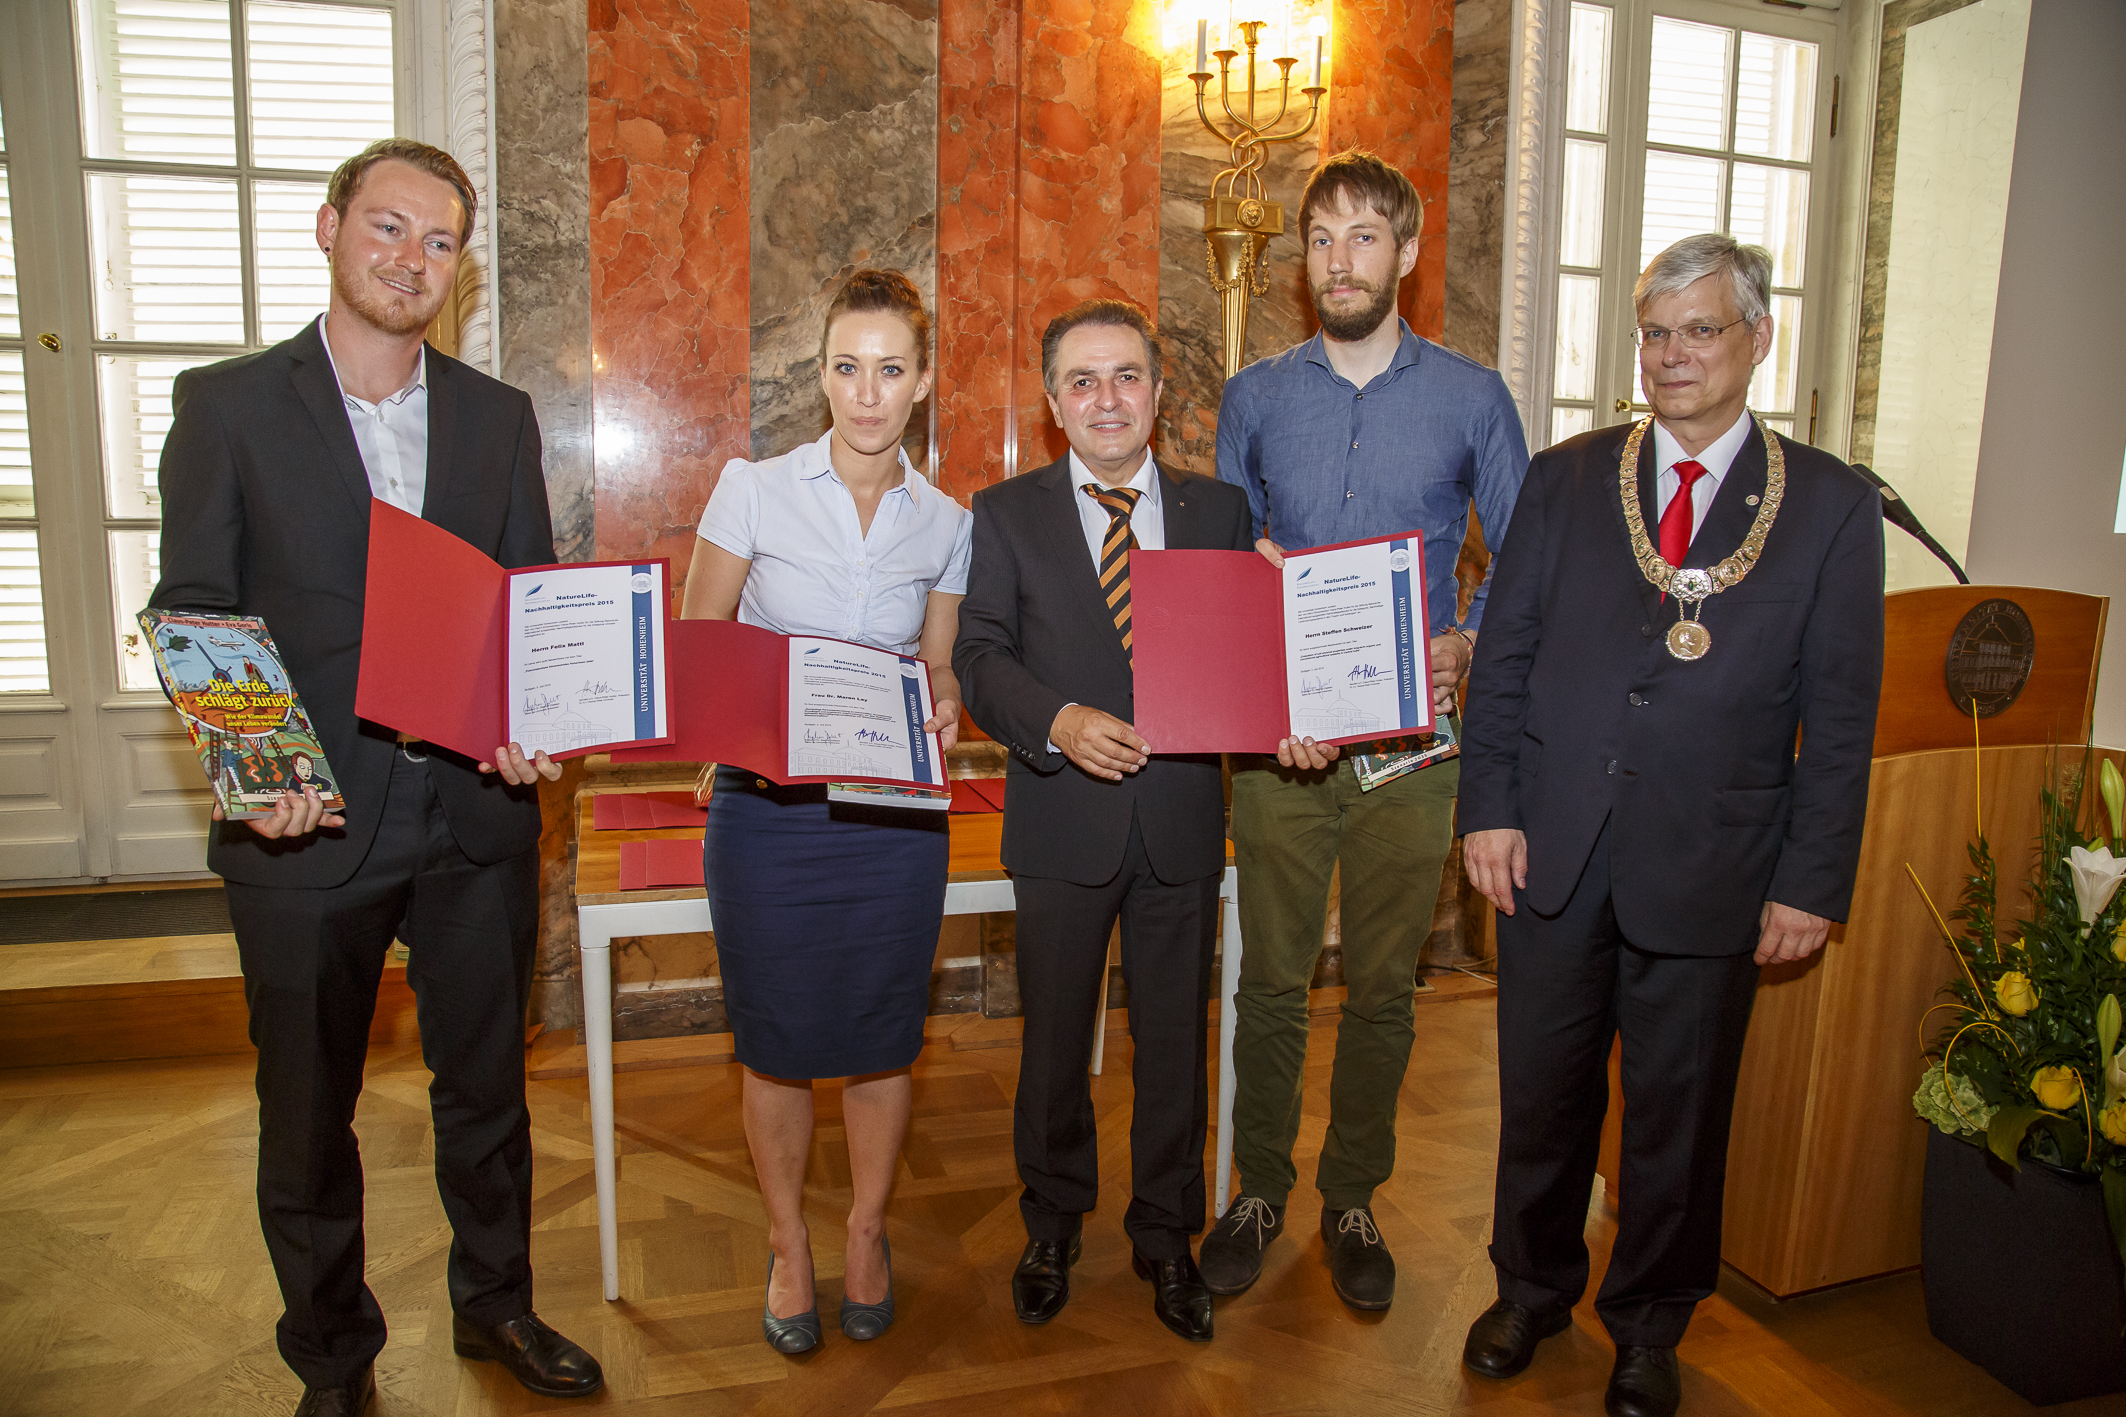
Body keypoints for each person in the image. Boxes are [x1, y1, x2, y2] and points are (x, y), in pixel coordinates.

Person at [150, 139, 603, 1417]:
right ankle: (334, 1361)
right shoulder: (227, 406)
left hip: (474, 812)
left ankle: (495, 1305)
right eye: (388, 227)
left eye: (439, 240)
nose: (411, 258)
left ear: (460, 267)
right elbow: (197, 606)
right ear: (330, 228)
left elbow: (523, 610)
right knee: (307, 1113)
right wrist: (258, 773)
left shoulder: (496, 416)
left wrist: (535, 721)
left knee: (490, 1092)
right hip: (306, 818)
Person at [1456, 234, 1884, 1417]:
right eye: (1654, 332)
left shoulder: (1831, 506)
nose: (1672, 354)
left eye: (1700, 329)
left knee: (1677, 1120)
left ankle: (1647, 1324)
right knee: (1541, 1097)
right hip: (1550, 847)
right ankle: (1529, 1289)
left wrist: (1810, 881)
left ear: (1757, 338)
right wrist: (1487, 809)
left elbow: (1839, 718)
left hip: (1714, 863)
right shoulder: (1564, 477)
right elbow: (1503, 659)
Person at [1201, 149, 1528, 1310]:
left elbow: (1523, 552)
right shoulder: (1253, 397)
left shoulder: (1472, 398)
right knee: (1270, 979)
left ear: (1406, 251)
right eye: (1320, 238)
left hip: (1413, 748)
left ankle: (1351, 1196)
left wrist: (1469, 640)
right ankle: (1256, 1189)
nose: (1339, 261)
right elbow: (1228, 562)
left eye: (1363, 237)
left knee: (1385, 985)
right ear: (1301, 258)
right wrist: (1260, 680)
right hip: (1280, 749)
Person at [679, 269, 970, 1355]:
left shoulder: (949, 523)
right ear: (822, 375)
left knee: (883, 1038)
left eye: (890, 369)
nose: (867, 392)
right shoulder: (754, 489)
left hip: (891, 820)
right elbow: (701, 643)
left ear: (922, 381)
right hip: (768, 812)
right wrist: (727, 736)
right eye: (847, 367)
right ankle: (787, 1243)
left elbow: (937, 669)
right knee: (776, 1040)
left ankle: (863, 1231)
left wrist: (944, 703)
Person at [953, 298, 1254, 1344]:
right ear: (1052, 403)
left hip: (1180, 824)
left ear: (1159, 392)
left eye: (1126, 376)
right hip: (1060, 823)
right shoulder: (1005, 513)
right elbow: (978, 657)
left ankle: (1166, 1237)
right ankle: (1050, 1227)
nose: (1106, 398)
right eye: (1081, 381)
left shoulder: (1220, 512)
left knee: (1174, 1045)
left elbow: (1243, 654)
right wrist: (1058, 721)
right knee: (1051, 1047)